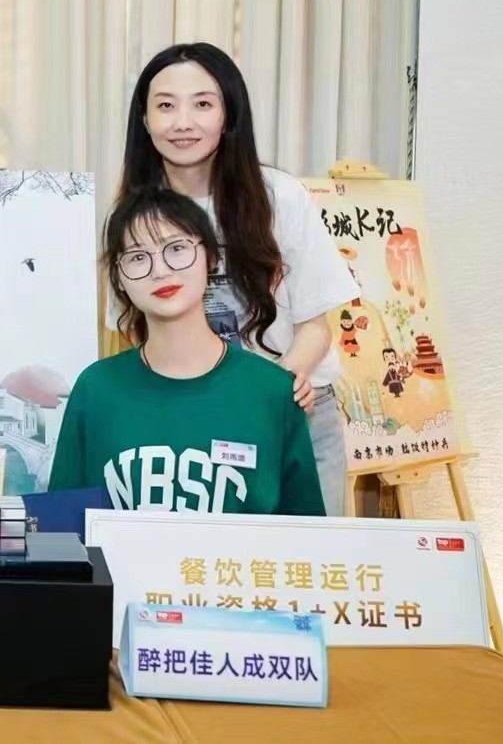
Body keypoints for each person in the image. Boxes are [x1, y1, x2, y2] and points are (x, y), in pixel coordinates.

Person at [109, 42, 358, 517]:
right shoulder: (131, 217)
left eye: (203, 104)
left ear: (228, 114)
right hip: (187, 423)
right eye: (166, 106)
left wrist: (275, 389)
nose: (183, 122)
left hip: (293, 415)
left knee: (305, 558)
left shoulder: (279, 197)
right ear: (144, 119)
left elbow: (316, 326)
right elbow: (133, 330)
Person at [56, 187, 325, 517]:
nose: (160, 270)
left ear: (210, 258)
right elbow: (61, 528)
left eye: (177, 248)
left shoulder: (273, 391)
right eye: (138, 257)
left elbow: (306, 534)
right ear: (119, 278)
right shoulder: (96, 389)